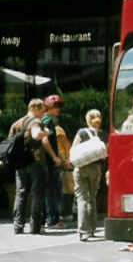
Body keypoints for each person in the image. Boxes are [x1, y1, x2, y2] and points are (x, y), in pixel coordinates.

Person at [0, 99, 51, 234]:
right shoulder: (35, 121)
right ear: (35, 108)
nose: (43, 114)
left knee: (21, 193)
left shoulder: (16, 123)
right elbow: (37, 134)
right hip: (36, 161)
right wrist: (45, 132)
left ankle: (18, 226)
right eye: (42, 110)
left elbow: (10, 144)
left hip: (20, 163)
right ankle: (35, 226)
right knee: (37, 193)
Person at [71, 109, 106, 242]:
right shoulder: (102, 135)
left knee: (82, 198)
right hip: (96, 169)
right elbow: (104, 155)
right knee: (92, 198)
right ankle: (91, 230)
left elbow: (74, 149)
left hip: (81, 168)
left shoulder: (81, 132)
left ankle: (82, 231)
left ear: (87, 120)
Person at [42, 95, 67, 229]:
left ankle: (51, 218)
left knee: (52, 189)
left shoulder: (47, 120)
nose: (58, 109)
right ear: (49, 107)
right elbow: (45, 140)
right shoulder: (47, 120)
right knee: (52, 190)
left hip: (49, 161)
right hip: (49, 162)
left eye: (59, 107)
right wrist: (54, 157)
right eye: (56, 106)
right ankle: (52, 220)